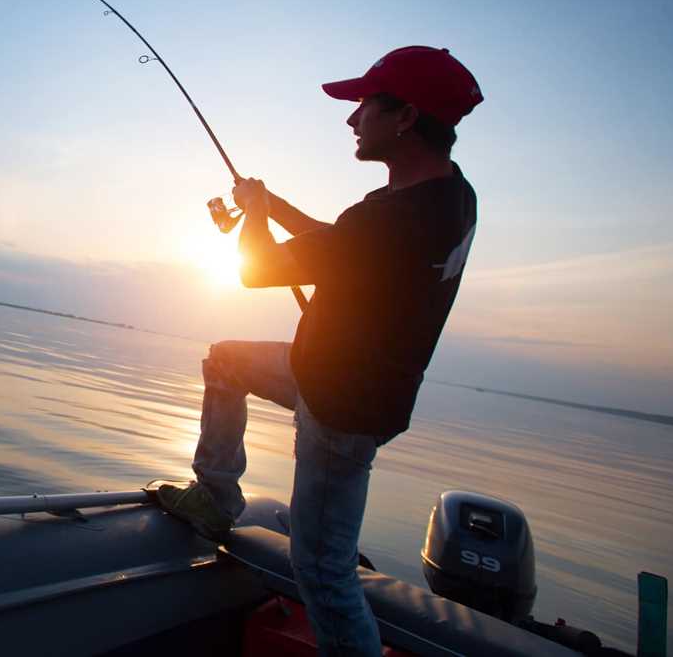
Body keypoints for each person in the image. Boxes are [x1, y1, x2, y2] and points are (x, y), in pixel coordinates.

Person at [156, 46, 483, 656]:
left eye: (364, 105)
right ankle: (217, 497)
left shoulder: (390, 218)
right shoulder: (449, 199)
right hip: (332, 375)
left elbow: (256, 270)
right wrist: (271, 205)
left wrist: (254, 219)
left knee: (323, 573)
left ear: (405, 116)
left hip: (341, 408)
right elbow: (339, 246)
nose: (352, 119)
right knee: (226, 359)